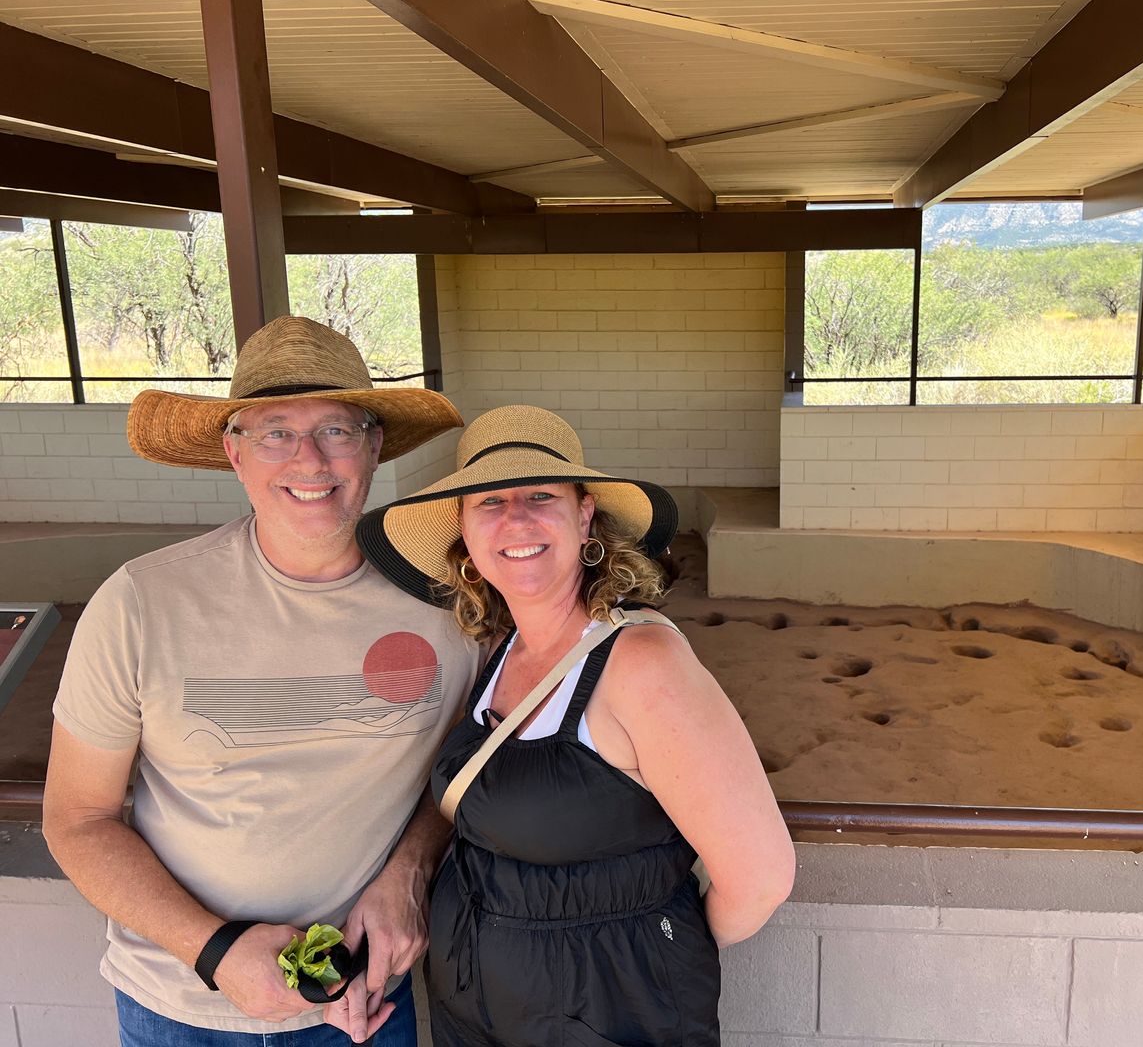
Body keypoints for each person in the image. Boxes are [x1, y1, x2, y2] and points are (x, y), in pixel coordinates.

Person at [43, 316, 481, 1046]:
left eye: (338, 430)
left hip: (360, 1007)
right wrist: (215, 951)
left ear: (374, 447)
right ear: (233, 453)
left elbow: (469, 765)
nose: (309, 459)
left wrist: (410, 868)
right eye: (275, 432)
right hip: (176, 1009)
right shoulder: (143, 601)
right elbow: (77, 820)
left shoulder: (449, 602)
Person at [357, 404, 796, 1046]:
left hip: (607, 1017)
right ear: (466, 535)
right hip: (470, 1009)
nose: (516, 518)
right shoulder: (499, 646)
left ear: (584, 513)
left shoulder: (641, 663)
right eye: (488, 502)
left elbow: (760, 879)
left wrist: (643, 944)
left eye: (541, 494)